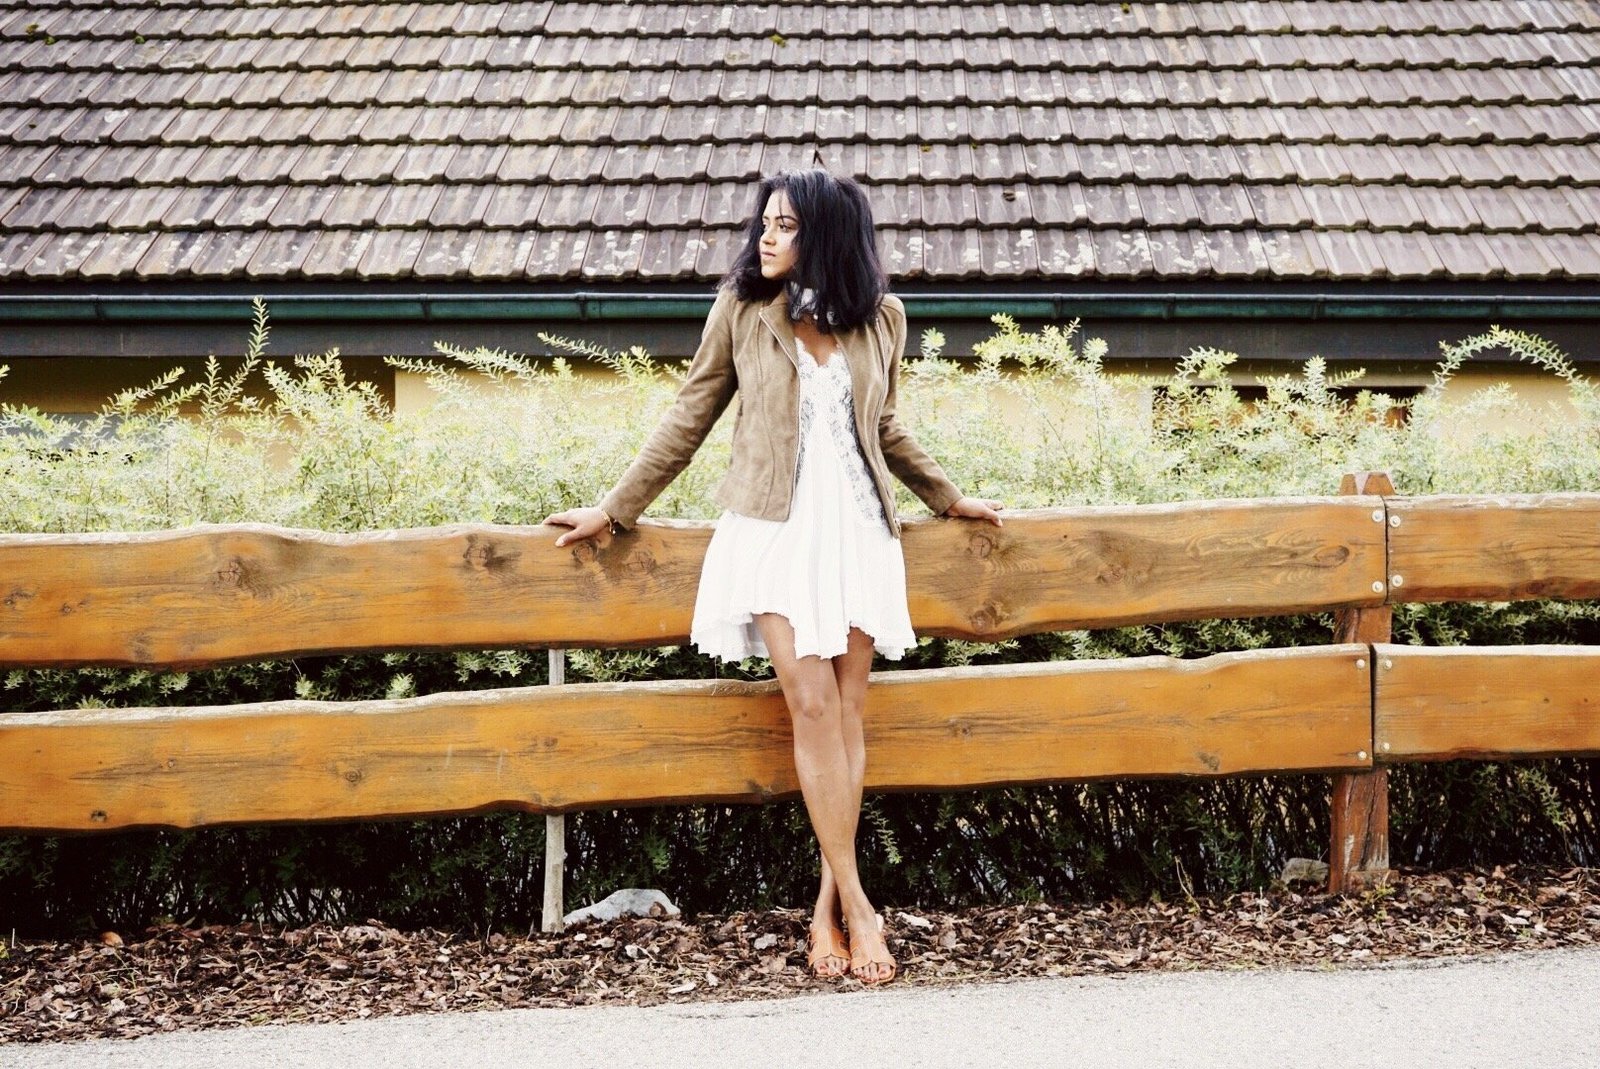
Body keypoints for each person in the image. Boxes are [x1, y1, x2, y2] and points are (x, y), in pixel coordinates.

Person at [544, 170, 1003, 985]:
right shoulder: (744, 312)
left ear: (824, 235)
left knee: (850, 712)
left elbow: (885, 425)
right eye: (765, 223)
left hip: (861, 531)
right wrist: (613, 511)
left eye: (785, 226)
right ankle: (863, 907)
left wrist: (951, 496)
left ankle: (826, 908)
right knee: (813, 701)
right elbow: (690, 412)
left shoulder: (882, 318)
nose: (766, 236)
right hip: (774, 531)